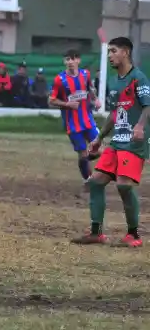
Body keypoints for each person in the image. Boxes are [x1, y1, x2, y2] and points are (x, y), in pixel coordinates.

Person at [73, 36, 150, 248]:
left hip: (134, 143)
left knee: (124, 187)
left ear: (125, 52)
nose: (110, 56)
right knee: (96, 181)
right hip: (117, 142)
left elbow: (147, 106)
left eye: (113, 51)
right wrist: (99, 138)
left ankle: (133, 235)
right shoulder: (116, 81)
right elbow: (115, 114)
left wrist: (140, 126)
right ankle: (96, 232)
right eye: (109, 52)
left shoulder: (138, 78)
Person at [48, 49, 98, 183]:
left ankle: (90, 160)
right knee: (82, 154)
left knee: (99, 148)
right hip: (72, 123)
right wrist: (67, 104)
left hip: (88, 120)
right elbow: (51, 100)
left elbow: (90, 88)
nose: (70, 62)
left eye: (73, 59)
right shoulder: (60, 80)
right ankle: (88, 179)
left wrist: (95, 99)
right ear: (64, 61)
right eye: (67, 59)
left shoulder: (85, 74)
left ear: (78, 60)